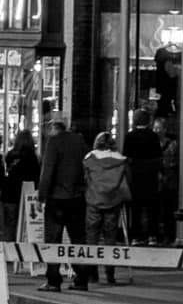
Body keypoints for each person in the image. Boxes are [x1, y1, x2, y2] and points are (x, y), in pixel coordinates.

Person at [37, 110, 89, 292]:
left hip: (57, 198)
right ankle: (81, 279)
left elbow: (48, 171)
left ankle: (53, 280)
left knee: (53, 239)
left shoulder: (54, 142)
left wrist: (41, 195)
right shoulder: (79, 141)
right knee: (78, 239)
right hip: (77, 198)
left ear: (52, 127)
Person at [84, 131, 131, 284]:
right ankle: (110, 274)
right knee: (110, 238)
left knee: (92, 236)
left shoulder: (90, 158)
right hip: (114, 201)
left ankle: (92, 274)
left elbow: (85, 178)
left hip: (94, 200)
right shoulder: (121, 160)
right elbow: (128, 180)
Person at [123, 108, 163, 244]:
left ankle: (136, 236)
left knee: (136, 208)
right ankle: (152, 236)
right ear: (148, 121)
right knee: (152, 208)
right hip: (151, 176)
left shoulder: (129, 136)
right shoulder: (153, 136)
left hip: (135, 176)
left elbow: (126, 157)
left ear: (135, 121)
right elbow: (158, 157)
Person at [2, 128, 41, 241]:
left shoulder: (10, 155)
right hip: (27, 195)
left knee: (10, 226)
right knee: (27, 227)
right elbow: (36, 177)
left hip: (10, 194)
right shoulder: (33, 157)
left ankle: (9, 249)